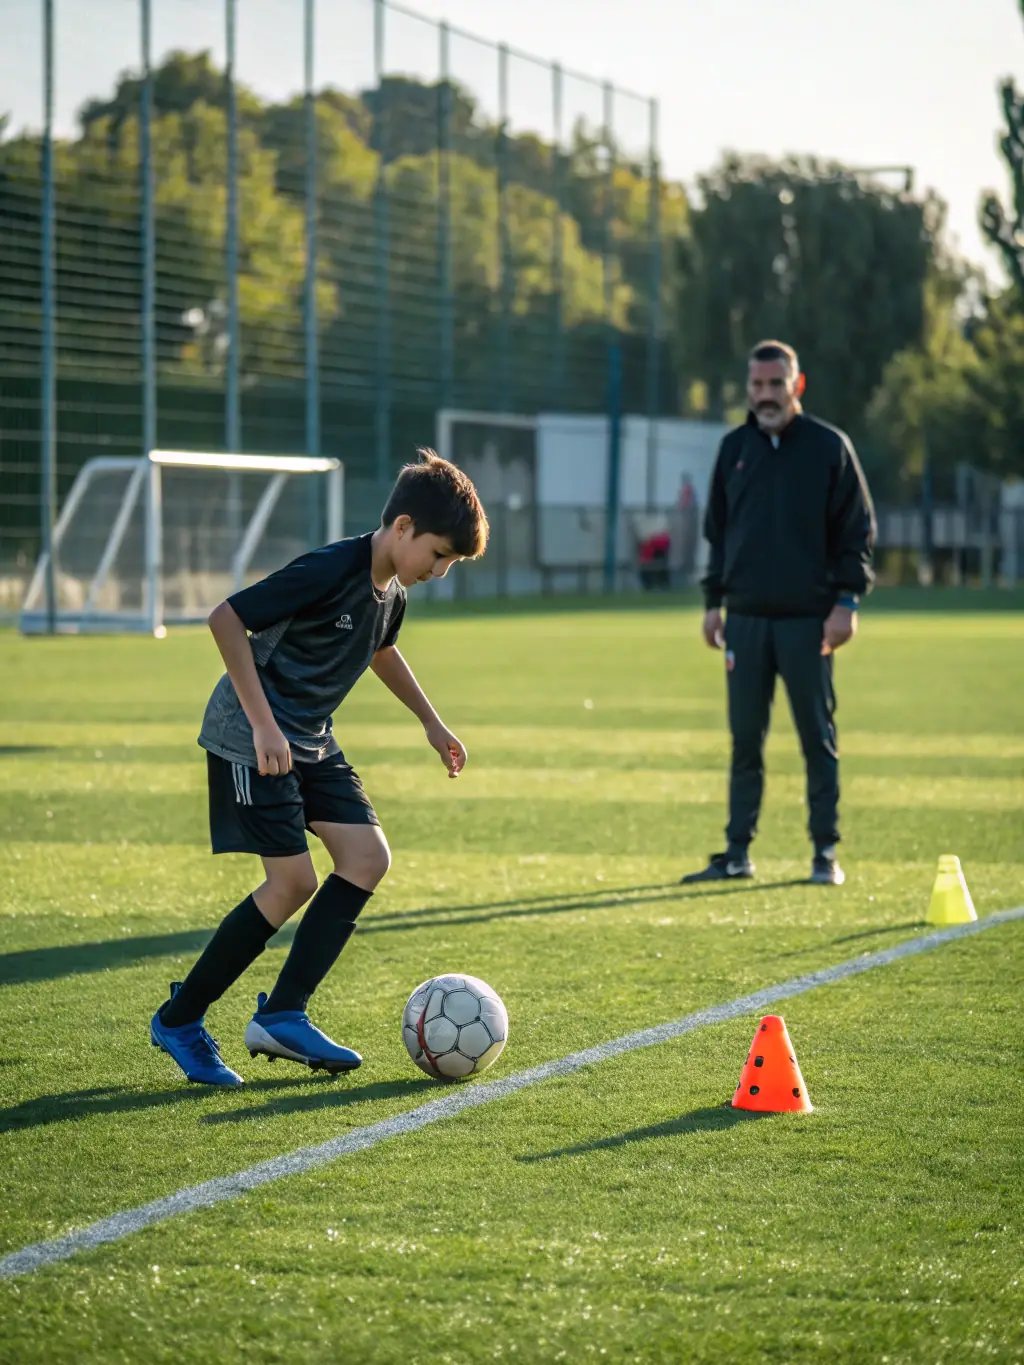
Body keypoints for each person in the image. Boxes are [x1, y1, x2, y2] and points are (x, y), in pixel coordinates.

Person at [150, 449, 489, 1087]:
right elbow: (227, 619)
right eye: (440, 555)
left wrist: (430, 721)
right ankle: (180, 1018)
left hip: (309, 737)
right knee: (291, 885)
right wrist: (262, 723)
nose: (441, 571)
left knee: (367, 858)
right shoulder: (331, 567)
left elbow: (380, 649)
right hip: (251, 737)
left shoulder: (390, 591)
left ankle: (282, 1013)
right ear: (404, 527)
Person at [682, 340, 875, 888]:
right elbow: (717, 534)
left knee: (817, 737)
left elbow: (856, 532)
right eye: (757, 385)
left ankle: (824, 853)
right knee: (746, 742)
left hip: (809, 623)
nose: (765, 395)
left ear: (797, 385)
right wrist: (712, 603)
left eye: (775, 384)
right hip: (744, 621)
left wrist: (847, 602)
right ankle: (738, 852)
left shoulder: (828, 448)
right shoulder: (733, 449)